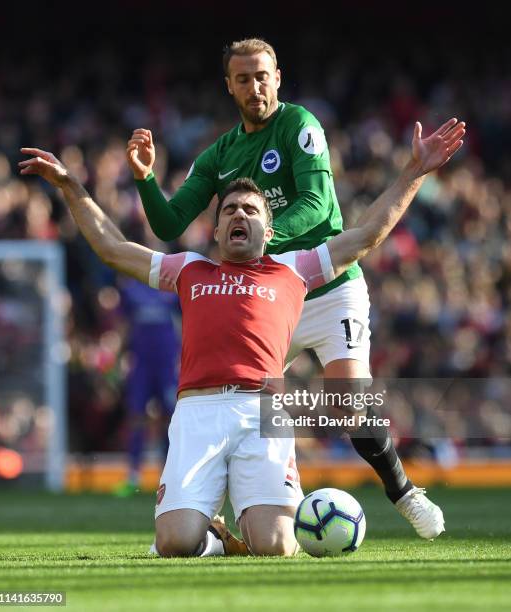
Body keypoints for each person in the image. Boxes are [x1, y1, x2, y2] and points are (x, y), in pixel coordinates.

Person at [19, 116, 464, 556]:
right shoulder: (189, 268)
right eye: (229, 209)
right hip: (198, 412)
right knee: (173, 543)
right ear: (215, 231)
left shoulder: (294, 270)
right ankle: (214, 538)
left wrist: (414, 171)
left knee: (277, 545)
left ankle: (393, 492)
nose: (239, 214)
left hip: (262, 413)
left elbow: (367, 234)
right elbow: (113, 249)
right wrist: (70, 186)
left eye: (250, 210)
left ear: (269, 233)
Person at [126, 38, 452, 538]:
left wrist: (263, 243)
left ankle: (404, 492)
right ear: (229, 86)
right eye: (243, 78)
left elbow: (319, 206)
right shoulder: (221, 153)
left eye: (262, 76)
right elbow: (170, 223)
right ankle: (211, 512)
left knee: (348, 401)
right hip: (268, 297)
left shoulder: (300, 126)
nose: (254, 86)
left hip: (326, 284)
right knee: (244, 402)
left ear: (277, 78)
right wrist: (146, 178)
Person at [114, 279, 180, 497]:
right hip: (141, 364)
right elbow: (123, 325)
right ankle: (133, 476)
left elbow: (186, 321)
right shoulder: (131, 289)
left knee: (170, 419)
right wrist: (119, 358)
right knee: (136, 417)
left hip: (167, 365)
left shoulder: (173, 287)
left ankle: (169, 478)